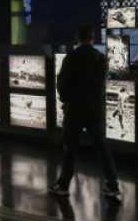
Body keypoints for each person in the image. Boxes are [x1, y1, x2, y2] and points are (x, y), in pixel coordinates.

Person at [50, 24, 121, 199]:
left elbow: (62, 85)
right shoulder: (102, 59)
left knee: (70, 150)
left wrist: (65, 100)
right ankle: (112, 185)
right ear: (93, 38)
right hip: (95, 111)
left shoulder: (71, 58)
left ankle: (63, 185)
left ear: (77, 38)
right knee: (102, 148)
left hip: (75, 111)